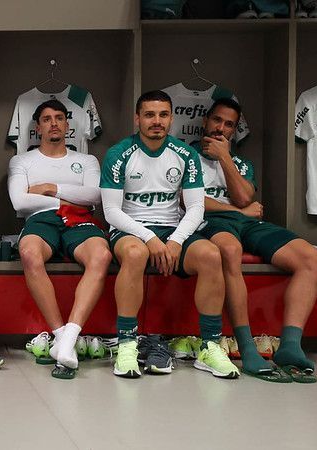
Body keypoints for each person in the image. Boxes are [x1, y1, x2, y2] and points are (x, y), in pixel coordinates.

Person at [100, 90, 239, 379]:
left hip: (173, 229)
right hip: (130, 228)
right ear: (137, 118)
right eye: (149, 115)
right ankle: (127, 345)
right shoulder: (118, 154)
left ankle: (209, 347)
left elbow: (197, 207)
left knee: (211, 255)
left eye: (163, 115)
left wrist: (175, 241)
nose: (157, 121)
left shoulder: (185, 154)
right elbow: (112, 212)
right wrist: (149, 239)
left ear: (171, 118)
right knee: (136, 254)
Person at [195, 97, 317, 383]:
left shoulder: (240, 162)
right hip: (210, 223)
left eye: (229, 124)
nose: (221, 128)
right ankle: (246, 345)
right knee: (230, 249)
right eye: (217, 120)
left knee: (311, 258)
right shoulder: (184, 156)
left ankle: (290, 346)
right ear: (205, 121)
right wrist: (239, 210)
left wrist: (225, 158)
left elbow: (244, 195)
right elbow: (191, 201)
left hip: (248, 223)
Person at [8, 99, 111, 379]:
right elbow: (19, 201)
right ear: (37, 127)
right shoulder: (22, 160)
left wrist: (49, 188)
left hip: (81, 220)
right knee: (29, 252)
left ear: (67, 124)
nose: (53, 123)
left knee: (101, 255)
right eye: (46, 119)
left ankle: (67, 339)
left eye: (59, 118)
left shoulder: (86, 160)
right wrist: (66, 197)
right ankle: (60, 334)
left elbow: (95, 196)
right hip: (41, 219)